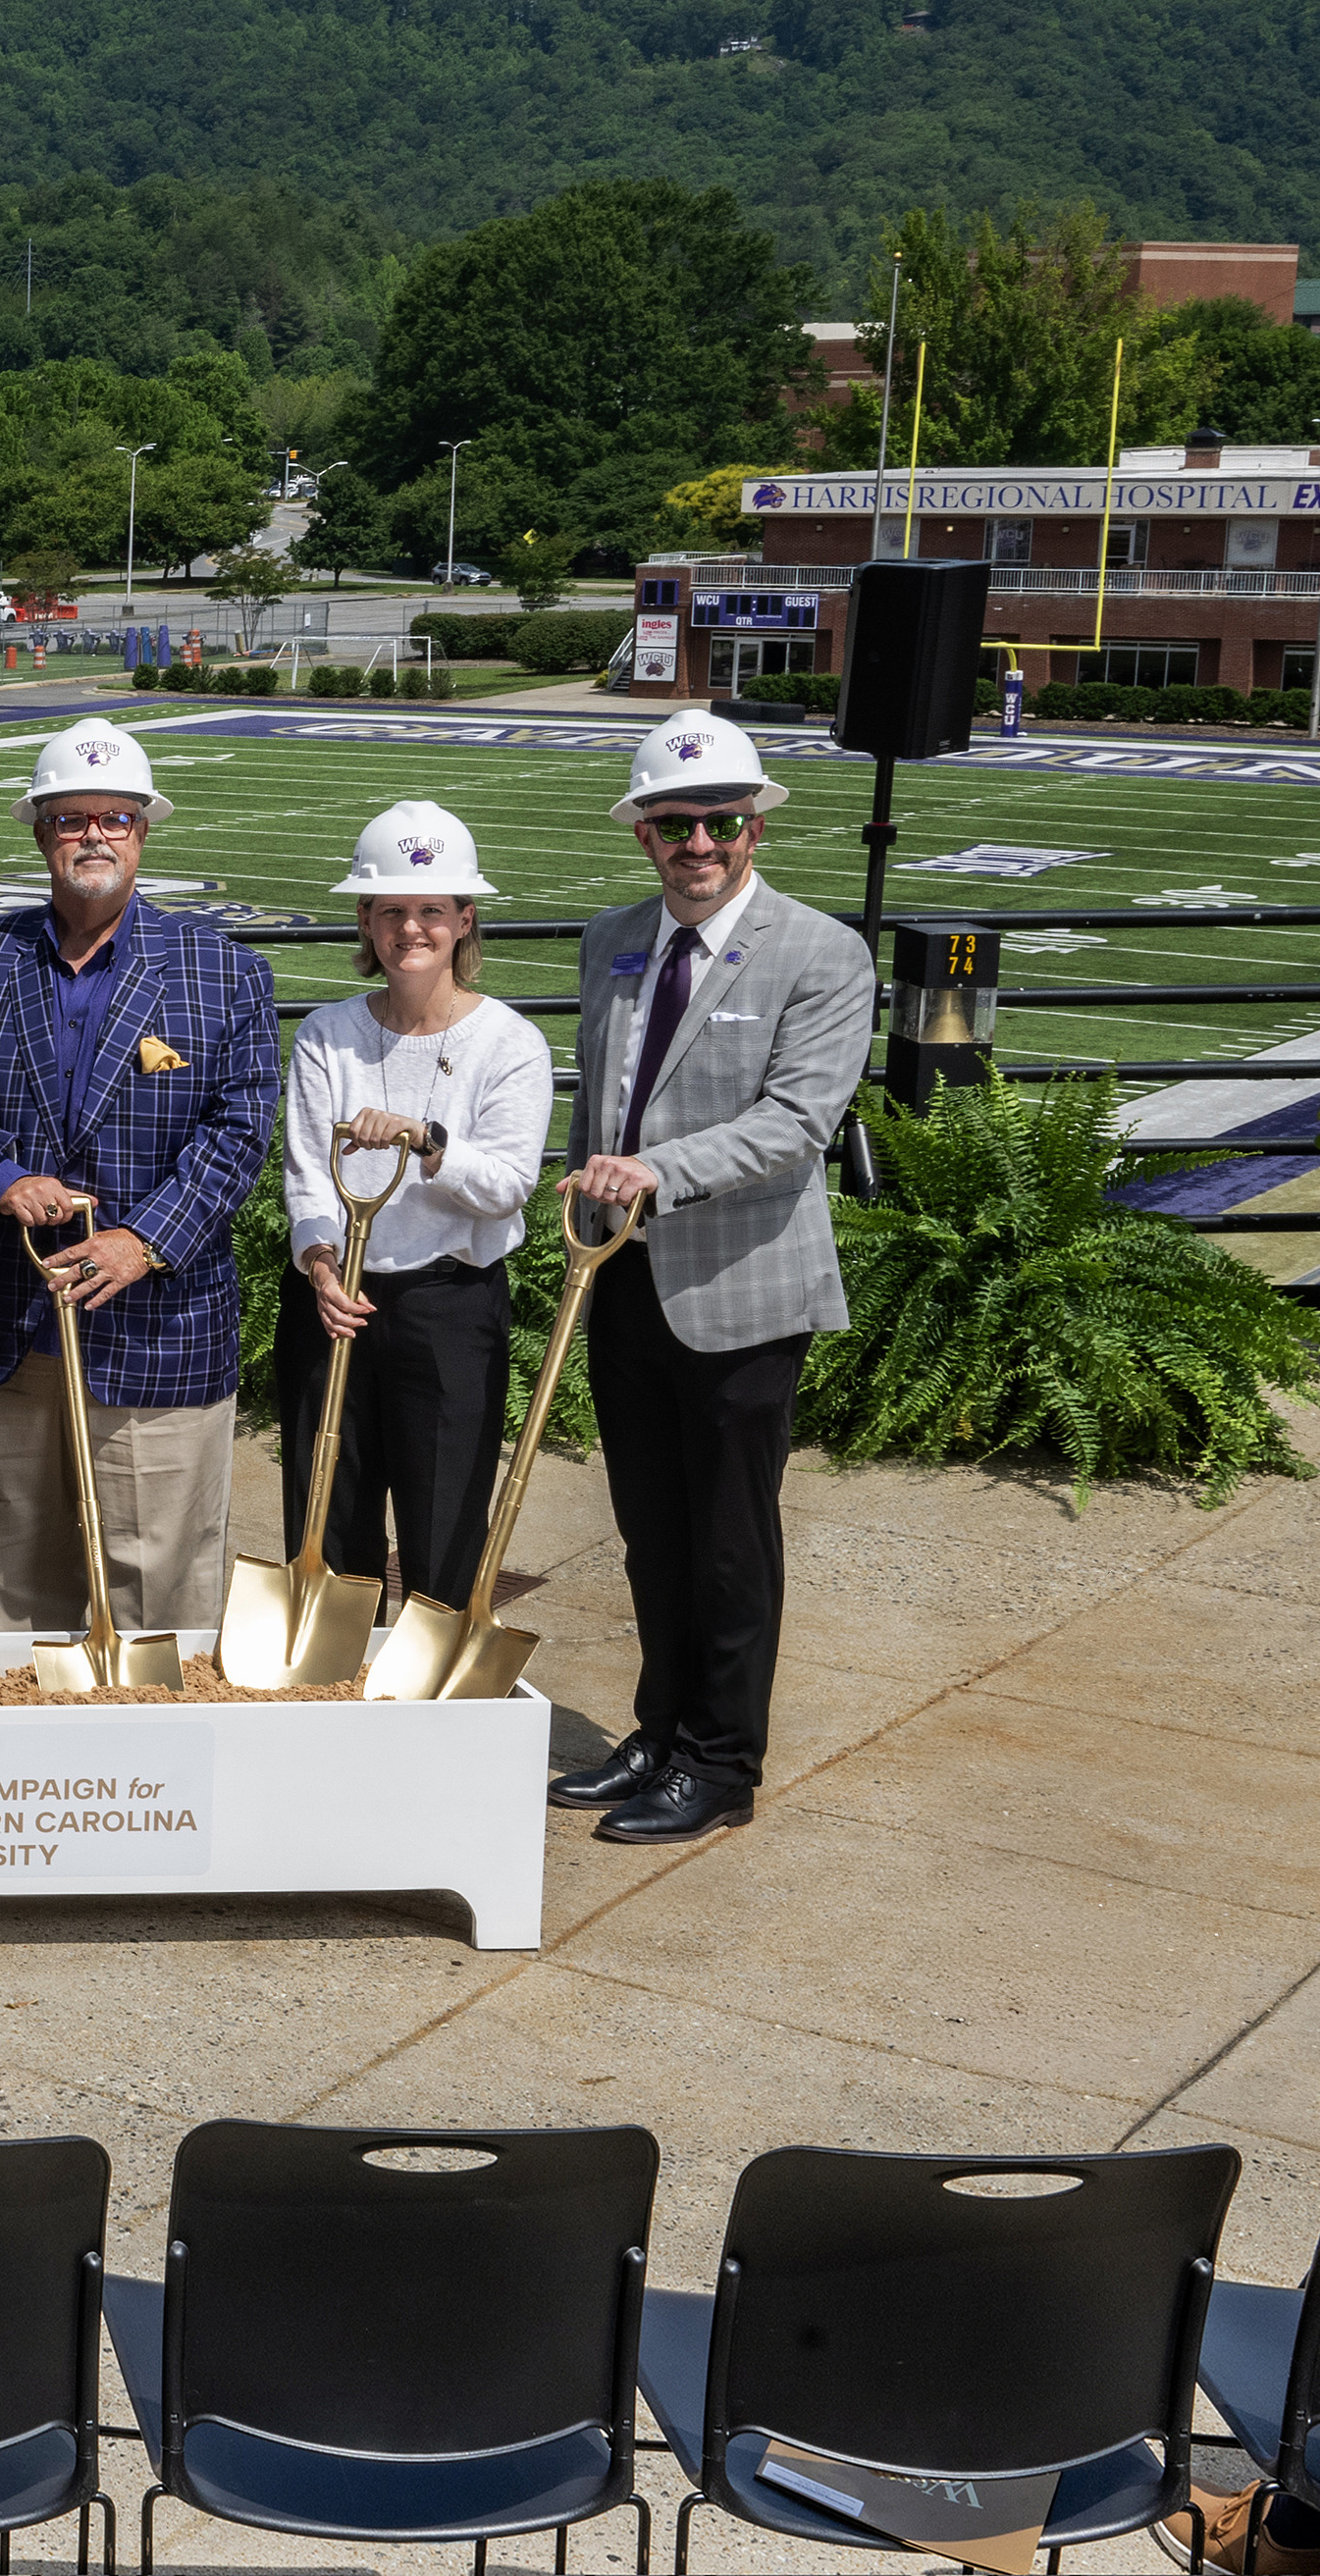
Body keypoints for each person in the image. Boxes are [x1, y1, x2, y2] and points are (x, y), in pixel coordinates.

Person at [556, 709, 864, 1845]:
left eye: (721, 821)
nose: (700, 843)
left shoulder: (821, 952)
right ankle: (660, 1728)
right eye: (676, 822)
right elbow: (599, 1102)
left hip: (742, 1289)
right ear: (644, 831)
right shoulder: (612, 939)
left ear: (755, 828)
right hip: (624, 1279)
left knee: (731, 1539)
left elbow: (796, 1121)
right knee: (649, 1528)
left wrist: (652, 1173)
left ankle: (723, 1762)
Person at [0, 717, 278, 1645]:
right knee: (21, 1582)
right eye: (70, 818)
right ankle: (32, 1772)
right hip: (16, 1319)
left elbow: (242, 1125)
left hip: (160, 1326)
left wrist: (144, 1240)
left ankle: (159, 1774)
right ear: (39, 832)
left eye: (115, 818)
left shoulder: (223, 970)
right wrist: (1, 1176)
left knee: (158, 1588)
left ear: (143, 831)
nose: (93, 834)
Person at [278, 801, 552, 1612]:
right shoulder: (327, 1035)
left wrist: (427, 1140)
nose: (411, 928)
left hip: (448, 1308)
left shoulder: (510, 1042)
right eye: (391, 909)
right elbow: (306, 1175)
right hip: (335, 1303)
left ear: (465, 919)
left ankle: (435, 1711)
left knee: (444, 1530)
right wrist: (321, 1263)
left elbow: (507, 1183)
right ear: (365, 918)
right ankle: (335, 1697)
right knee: (329, 1523)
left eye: (432, 909)